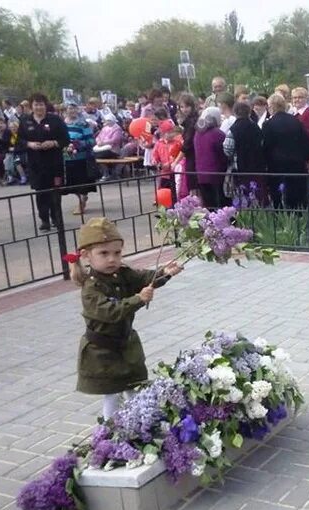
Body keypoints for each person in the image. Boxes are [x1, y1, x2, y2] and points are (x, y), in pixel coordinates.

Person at [69, 217, 183, 419]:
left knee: (134, 387)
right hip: (102, 352)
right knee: (112, 394)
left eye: (117, 253)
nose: (112, 259)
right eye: (104, 253)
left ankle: (140, 422)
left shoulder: (121, 273)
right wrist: (138, 299)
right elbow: (111, 311)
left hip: (126, 345)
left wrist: (164, 272)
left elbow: (143, 279)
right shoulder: (91, 288)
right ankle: (109, 432)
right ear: (86, 255)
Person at [19, 92, 70, 231]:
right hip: (35, 164)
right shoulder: (25, 121)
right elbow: (19, 141)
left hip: (54, 163)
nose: (39, 107)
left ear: (45, 105)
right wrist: (29, 144)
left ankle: (57, 218)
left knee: (55, 192)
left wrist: (53, 143)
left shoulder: (55, 120)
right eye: (36, 104)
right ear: (31, 106)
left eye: (41, 104)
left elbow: (65, 139)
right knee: (40, 193)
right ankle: (44, 220)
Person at [262, 93, 309, 209]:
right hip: (297, 165)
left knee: (279, 198)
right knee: (297, 197)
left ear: (271, 107)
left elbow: (266, 147)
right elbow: (305, 141)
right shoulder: (296, 121)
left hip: (277, 166)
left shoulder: (268, 125)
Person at [226, 101, 266, 202]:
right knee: (258, 194)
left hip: (240, 167)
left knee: (242, 195)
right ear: (249, 112)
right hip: (257, 166)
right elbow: (262, 144)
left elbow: (227, 148)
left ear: (234, 113)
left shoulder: (233, 129)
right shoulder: (256, 128)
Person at [63, 104, 98, 215]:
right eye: (70, 108)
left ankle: (81, 202)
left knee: (82, 182)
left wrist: (77, 144)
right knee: (71, 184)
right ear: (66, 110)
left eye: (74, 108)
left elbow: (92, 141)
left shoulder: (83, 124)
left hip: (82, 158)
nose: (72, 110)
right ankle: (81, 198)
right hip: (67, 158)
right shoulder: (62, 124)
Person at [193, 107, 228, 209]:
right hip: (216, 175)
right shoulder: (218, 134)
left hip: (201, 174)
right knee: (220, 206)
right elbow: (223, 154)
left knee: (208, 205)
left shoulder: (197, 133)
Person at [177, 93, 199, 194]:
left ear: (192, 106)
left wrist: (176, 160)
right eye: (182, 107)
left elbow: (187, 143)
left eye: (187, 106)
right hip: (193, 154)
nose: (184, 109)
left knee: (193, 184)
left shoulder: (192, 121)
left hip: (193, 155)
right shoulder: (189, 120)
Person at [291, 87, 309, 157]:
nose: (297, 100)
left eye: (300, 97)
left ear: (306, 99)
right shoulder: (296, 114)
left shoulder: (308, 115)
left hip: (305, 155)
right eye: (294, 98)